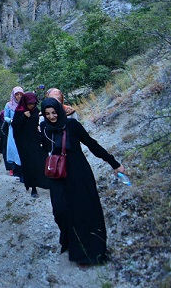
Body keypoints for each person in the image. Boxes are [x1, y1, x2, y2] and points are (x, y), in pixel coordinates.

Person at [39, 97, 126, 267]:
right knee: (60, 210)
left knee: (85, 210)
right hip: (57, 175)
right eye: (47, 114)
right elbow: (43, 148)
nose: (51, 117)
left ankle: (90, 253)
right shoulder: (43, 128)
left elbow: (92, 144)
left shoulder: (72, 125)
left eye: (54, 112)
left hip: (78, 172)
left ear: (60, 110)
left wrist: (114, 163)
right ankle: (68, 240)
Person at [11, 92, 50, 198]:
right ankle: (33, 188)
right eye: (29, 104)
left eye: (33, 103)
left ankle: (46, 183)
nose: (32, 105)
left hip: (35, 141)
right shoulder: (19, 112)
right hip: (24, 144)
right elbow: (15, 127)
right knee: (29, 165)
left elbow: (36, 125)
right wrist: (24, 116)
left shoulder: (35, 111)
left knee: (40, 161)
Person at [3, 86, 24, 178]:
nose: (19, 96)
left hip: (23, 128)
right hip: (13, 128)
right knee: (15, 148)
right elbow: (5, 116)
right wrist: (11, 121)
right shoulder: (8, 105)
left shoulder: (25, 104)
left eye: (20, 94)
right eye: (17, 94)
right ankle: (17, 170)